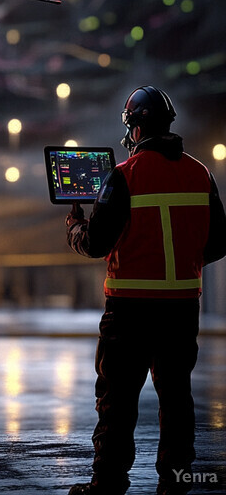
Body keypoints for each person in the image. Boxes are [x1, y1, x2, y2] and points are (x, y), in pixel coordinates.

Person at [65, 86, 226, 495]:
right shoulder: (200, 173)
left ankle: (108, 484)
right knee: (176, 399)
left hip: (130, 310)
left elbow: (97, 242)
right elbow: (220, 242)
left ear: (134, 127)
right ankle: (177, 481)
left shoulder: (123, 176)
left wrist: (74, 229)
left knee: (117, 400)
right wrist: (185, 264)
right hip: (182, 309)